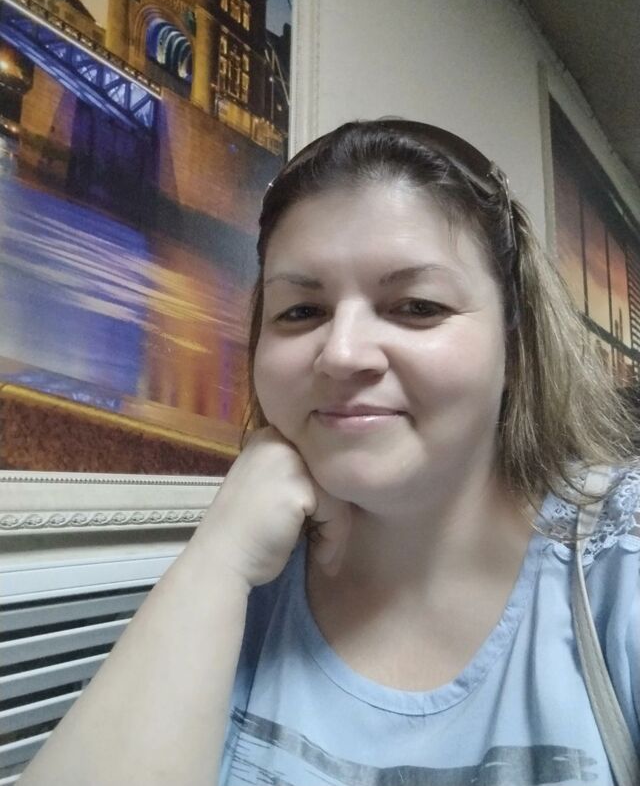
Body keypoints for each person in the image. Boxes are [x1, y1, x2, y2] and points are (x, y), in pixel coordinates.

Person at [19, 120, 639, 785]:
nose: (341, 353)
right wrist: (215, 560)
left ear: (514, 341)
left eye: (416, 306)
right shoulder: (245, 583)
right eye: (300, 311)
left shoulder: (618, 562)